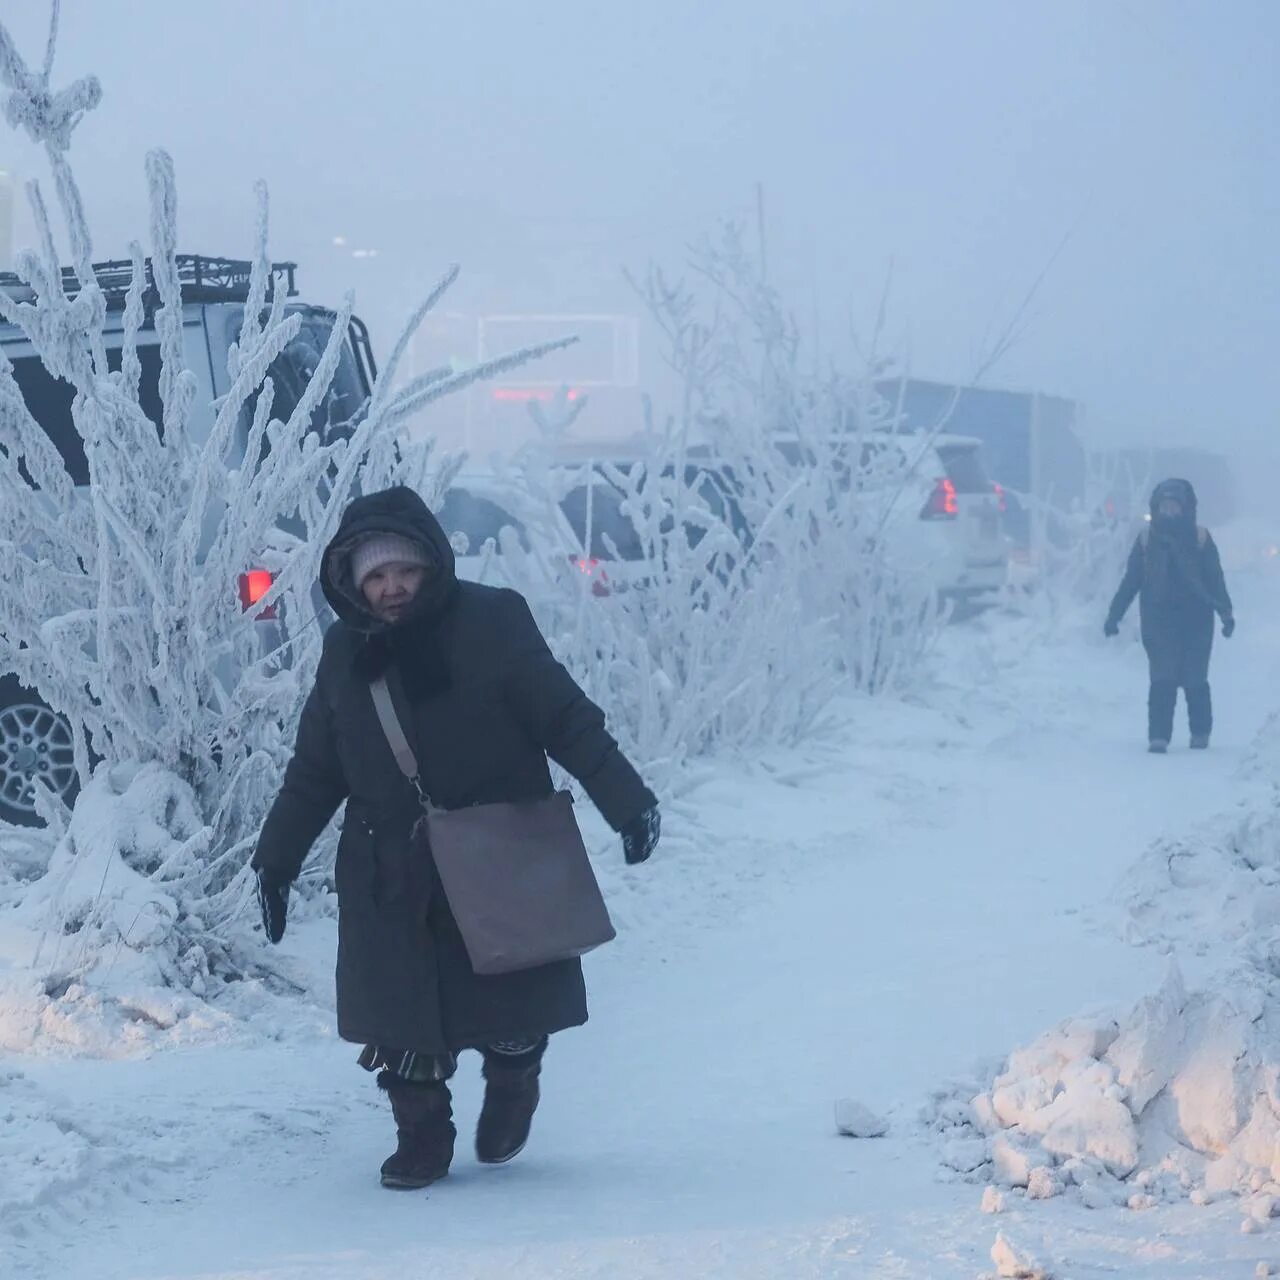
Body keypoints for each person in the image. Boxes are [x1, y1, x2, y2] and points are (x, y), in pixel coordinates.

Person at [251, 485, 660, 1189]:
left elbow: (567, 719)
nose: (392, 588)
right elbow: (316, 769)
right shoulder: (344, 653)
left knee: (511, 1008)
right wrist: (276, 861)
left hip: (495, 854)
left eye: (404, 571)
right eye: (375, 577)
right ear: (351, 583)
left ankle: (514, 1078)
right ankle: (422, 1135)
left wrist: (627, 802)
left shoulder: (493, 622)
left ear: (431, 564)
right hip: (391, 870)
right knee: (402, 1019)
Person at [1104, 478, 1234, 753]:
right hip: (1158, 620)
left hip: (1197, 620)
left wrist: (1226, 612)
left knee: (1195, 677)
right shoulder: (1145, 540)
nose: (1169, 514)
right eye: (1164, 507)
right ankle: (1158, 737)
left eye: (1175, 508)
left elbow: (1214, 578)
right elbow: (1132, 581)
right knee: (1162, 677)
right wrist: (1114, 615)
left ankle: (1200, 733)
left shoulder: (1200, 538)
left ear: (1186, 509)